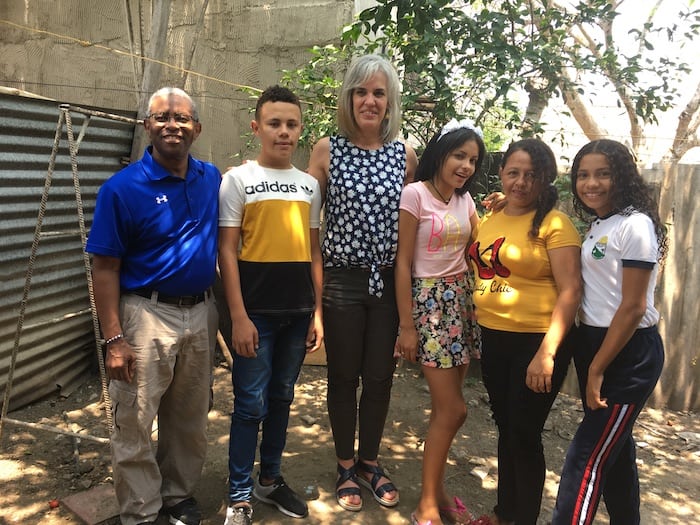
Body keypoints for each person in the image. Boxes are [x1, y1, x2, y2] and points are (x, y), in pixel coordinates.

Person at [86, 87, 220, 525]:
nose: (172, 126)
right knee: (136, 419)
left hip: (201, 313)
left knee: (189, 417)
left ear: (196, 128)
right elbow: (104, 267)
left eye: (182, 119)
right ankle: (142, 512)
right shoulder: (122, 189)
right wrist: (113, 339)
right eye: (162, 117)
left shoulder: (211, 179)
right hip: (145, 314)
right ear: (147, 126)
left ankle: (177, 495)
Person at [306, 54, 418, 512]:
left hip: (389, 282)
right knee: (342, 376)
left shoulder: (405, 154)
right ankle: (345, 464)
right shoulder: (325, 149)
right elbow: (308, 221)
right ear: (348, 98)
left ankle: (370, 461)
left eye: (378, 92)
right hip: (343, 280)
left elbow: (419, 215)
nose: (369, 101)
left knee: (379, 377)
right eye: (361, 92)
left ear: (389, 100)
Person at [218, 85, 323, 525]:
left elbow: (315, 253)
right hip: (255, 315)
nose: (284, 132)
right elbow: (226, 252)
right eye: (274, 123)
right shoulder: (237, 180)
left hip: (297, 315)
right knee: (249, 404)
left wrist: (317, 312)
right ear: (256, 127)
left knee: (281, 397)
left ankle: (271, 479)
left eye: (291, 124)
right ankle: (239, 495)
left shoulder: (310, 186)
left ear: (300, 129)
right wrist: (238, 317)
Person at [467, 138, 582, 525]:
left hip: (537, 342)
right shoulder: (492, 216)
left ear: (545, 179)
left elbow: (571, 291)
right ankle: (505, 513)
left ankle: (521, 518)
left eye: (530, 175)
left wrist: (547, 353)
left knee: (524, 433)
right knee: (506, 427)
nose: (520, 182)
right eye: (513, 172)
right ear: (501, 173)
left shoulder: (555, 224)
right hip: (494, 337)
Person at [551, 140, 666, 525]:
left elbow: (633, 307)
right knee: (615, 451)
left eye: (602, 173)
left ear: (621, 175)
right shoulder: (603, 223)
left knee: (587, 458)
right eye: (583, 175)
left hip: (627, 354)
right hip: (596, 344)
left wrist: (598, 368)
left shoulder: (635, 225)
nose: (591, 183)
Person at [395, 120, 492, 525]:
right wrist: (406, 326)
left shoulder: (465, 201)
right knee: (453, 411)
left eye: (472, 159)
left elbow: (482, 246)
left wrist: (498, 213)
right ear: (440, 154)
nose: (466, 165)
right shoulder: (414, 195)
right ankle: (426, 507)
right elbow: (402, 263)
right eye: (459, 155)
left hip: (461, 303)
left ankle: (438, 495)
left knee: (445, 411)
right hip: (428, 305)